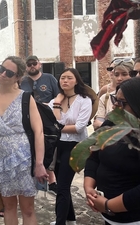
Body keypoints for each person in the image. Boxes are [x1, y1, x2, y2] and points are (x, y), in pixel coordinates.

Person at [0, 56, 48, 225]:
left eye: (9, 72)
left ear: (17, 77)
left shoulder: (26, 97)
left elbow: (38, 130)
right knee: (8, 208)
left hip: (25, 159)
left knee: (27, 209)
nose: (2, 74)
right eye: (1, 69)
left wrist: (39, 163)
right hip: (0, 157)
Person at [84, 77, 140, 225]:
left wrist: (109, 206)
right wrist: (89, 187)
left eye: (122, 103)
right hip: (109, 217)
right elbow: (94, 156)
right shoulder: (110, 124)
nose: (115, 105)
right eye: (115, 99)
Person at [48, 68, 94, 225]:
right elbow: (50, 123)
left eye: (69, 78)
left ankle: (60, 222)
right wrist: (56, 104)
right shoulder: (55, 100)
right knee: (63, 185)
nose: (65, 81)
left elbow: (79, 127)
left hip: (76, 146)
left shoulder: (84, 100)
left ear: (76, 81)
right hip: (57, 146)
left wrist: (57, 127)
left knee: (62, 186)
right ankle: (71, 220)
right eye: (62, 78)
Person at [20, 55, 59, 196]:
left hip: (47, 120)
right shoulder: (22, 81)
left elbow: (58, 97)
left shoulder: (50, 79)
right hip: (28, 120)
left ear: (39, 64)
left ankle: (52, 180)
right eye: (29, 64)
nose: (32, 66)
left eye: (34, 63)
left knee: (49, 148)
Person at [93, 59, 133, 130]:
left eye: (124, 74)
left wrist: (104, 125)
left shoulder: (136, 97)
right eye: (116, 75)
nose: (119, 78)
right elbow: (96, 125)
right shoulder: (106, 97)